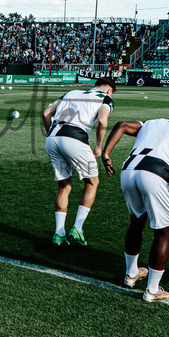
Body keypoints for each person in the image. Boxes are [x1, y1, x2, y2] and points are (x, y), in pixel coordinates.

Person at [101, 98, 169, 302]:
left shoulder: (152, 122)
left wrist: (106, 153)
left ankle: (131, 274)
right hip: (157, 173)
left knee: (136, 222)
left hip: (129, 170)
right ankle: (152, 290)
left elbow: (122, 125)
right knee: (162, 233)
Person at [41, 77, 117, 246]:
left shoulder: (70, 92)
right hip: (74, 138)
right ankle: (77, 228)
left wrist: (51, 136)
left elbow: (46, 114)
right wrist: (98, 146)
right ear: (109, 90)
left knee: (64, 186)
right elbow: (102, 121)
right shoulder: (106, 98)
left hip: (52, 138)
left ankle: (59, 233)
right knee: (92, 182)